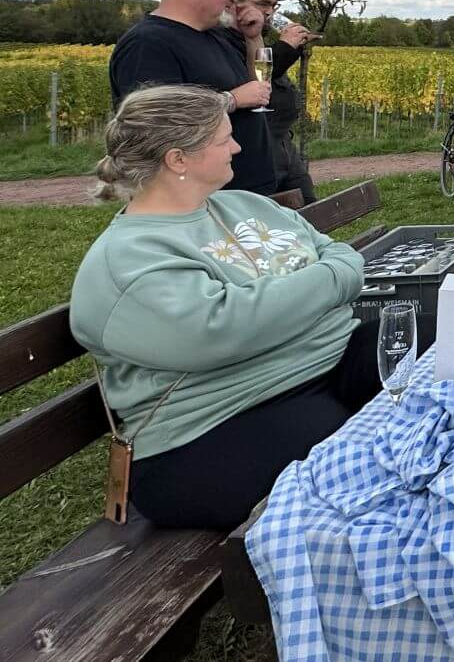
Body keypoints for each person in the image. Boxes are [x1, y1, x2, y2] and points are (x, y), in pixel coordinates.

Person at [69, 84, 395, 531]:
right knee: (363, 459)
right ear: (177, 159)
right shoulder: (127, 259)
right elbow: (223, 328)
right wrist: (327, 283)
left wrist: (301, 294)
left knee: (452, 349)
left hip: (324, 364)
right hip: (217, 423)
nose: (238, 146)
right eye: (224, 139)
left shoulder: (243, 205)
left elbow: (340, 257)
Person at [109, 0, 275, 195]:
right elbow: (156, 122)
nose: (233, 0)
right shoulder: (148, 43)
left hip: (242, 187)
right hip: (199, 195)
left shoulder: (213, 35)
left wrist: (252, 38)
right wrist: (233, 99)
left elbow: (255, 86)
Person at [231, 0, 319, 205]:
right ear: (232, 1)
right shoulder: (226, 42)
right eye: (262, 4)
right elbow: (255, 80)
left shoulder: (257, 38)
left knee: (309, 213)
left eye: (273, 5)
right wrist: (285, 48)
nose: (269, 12)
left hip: (283, 148)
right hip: (253, 156)